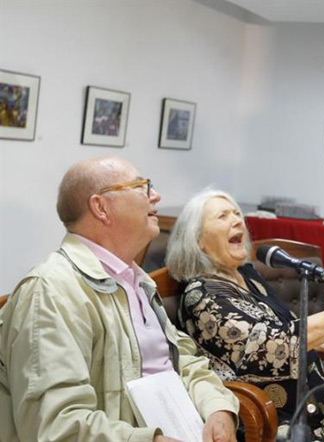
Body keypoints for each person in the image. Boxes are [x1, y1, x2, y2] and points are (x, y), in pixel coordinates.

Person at [0, 157, 239, 442]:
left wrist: (218, 408)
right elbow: (55, 426)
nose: (155, 195)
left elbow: (183, 361)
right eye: (141, 186)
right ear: (101, 208)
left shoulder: (136, 279)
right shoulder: (52, 291)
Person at [165, 188, 324, 442]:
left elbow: (288, 326)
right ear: (197, 239)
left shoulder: (247, 275)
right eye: (222, 216)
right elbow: (274, 345)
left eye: (237, 213)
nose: (237, 220)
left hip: (318, 399)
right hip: (275, 416)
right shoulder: (202, 295)